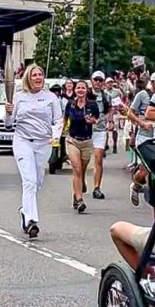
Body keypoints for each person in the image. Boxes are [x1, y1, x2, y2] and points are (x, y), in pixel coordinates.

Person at [5, 64, 63, 238]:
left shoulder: (51, 98)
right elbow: (9, 123)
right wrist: (8, 112)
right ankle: (31, 221)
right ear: (28, 79)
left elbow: (58, 120)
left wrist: (56, 136)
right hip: (23, 142)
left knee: (37, 181)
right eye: (34, 75)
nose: (38, 78)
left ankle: (25, 210)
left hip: (42, 143)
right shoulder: (18, 97)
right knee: (29, 181)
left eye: (40, 75)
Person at [127, 73, 155, 206]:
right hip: (144, 135)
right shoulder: (142, 95)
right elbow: (130, 112)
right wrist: (142, 124)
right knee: (146, 169)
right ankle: (136, 185)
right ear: (152, 82)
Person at [64, 80, 99, 213]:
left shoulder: (92, 105)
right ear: (74, 90)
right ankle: (79, 200)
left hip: (87, 141)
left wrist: (93, 121)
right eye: (78, 88)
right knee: (77, 169)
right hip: (73, 140)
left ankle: (76, 193)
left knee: (82, 170)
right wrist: (61, 131)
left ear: (86, 90)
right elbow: (65, 118)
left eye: (83, 88)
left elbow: (97, 119)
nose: (80, 90)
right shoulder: (71, 104)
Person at [88, 71, 112, 199]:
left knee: (98, 158)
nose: (98, 82)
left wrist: (111, 121)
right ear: (91, 80)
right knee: (84, 160)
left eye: (100, 80)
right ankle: (81, 181)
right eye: (95, 80)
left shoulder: (106, 96)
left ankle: (97, 187)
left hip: (100, 129)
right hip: (85, 130)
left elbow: (109, 110)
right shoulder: (85, 93)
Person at [104, 77, 123, 154]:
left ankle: (115, 145)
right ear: (105, 84)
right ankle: (105, 145)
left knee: (114, 130)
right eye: (108, 82)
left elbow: (122, 98)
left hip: (115, 112)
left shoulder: (117, 91)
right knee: (106, 130)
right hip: (106, 112)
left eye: (111, 82)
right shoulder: (104, 92)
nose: (110, 84)